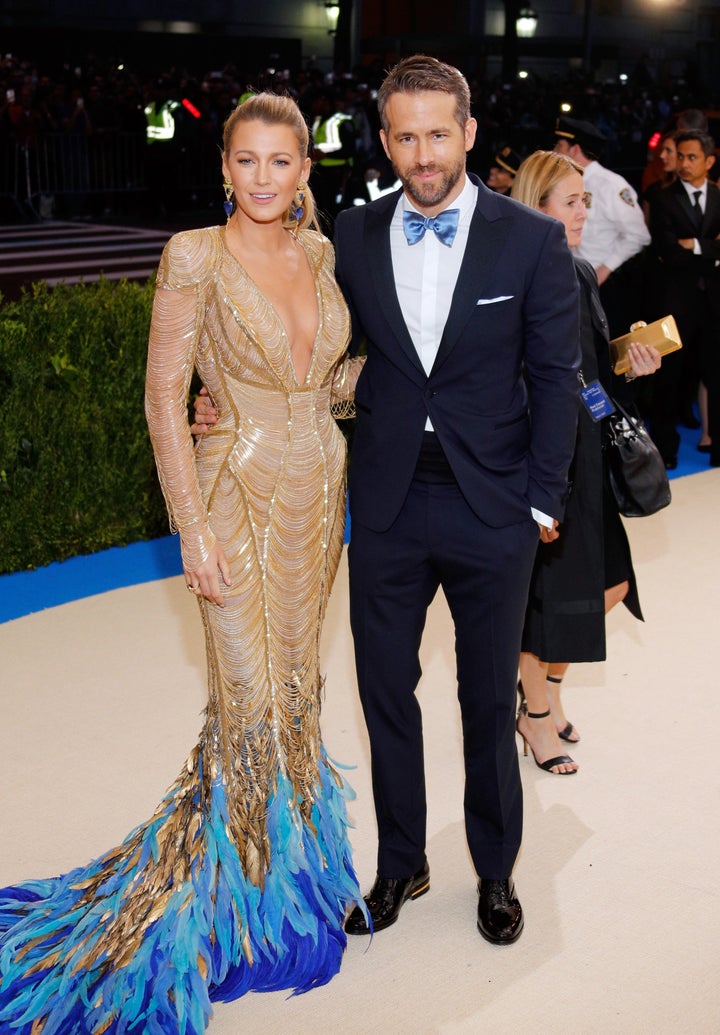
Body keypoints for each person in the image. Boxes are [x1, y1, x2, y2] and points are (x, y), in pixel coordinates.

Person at [0, 92, 365, 1032]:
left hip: (320, 486)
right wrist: (191, 529)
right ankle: (238, 903)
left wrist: (402, 372)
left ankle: (295, 883)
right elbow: (166, 400)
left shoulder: (320, 255)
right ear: (223, 166)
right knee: (244, 692)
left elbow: (326, 382)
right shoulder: (193, 254)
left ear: (303, 173)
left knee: (296, 687)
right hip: (233, 486)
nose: (261, 178)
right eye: (245, 160)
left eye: (280, 162)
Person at [335, 55, 581, 945]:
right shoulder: (352, 235)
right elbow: (317, 348)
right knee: (384, 692)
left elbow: (557, 379)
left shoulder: (529, 239)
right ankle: (402, 860)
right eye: (406, 135)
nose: (423, 152)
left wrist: (541, 500)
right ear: (387, 138)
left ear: (469, 133)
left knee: (485, 695)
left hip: (495, 505)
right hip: (390, 502)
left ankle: (496, 870)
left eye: (440, 133)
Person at [511, 151, 661, 775]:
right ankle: (536, 714)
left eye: (585, 201)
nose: (583, 213)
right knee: (550, 598)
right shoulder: (541, 271)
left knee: (607, 586)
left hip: (585, 451)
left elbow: (582, 375)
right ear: (537, 205)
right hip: (554, 461)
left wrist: (627, 363)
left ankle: (540, 693)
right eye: (570, 202)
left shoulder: (573, 268)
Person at [648, 130, 720, 468]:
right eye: (682, 157)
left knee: (714, 372)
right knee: (668, 376)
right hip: (675, 301)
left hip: (714, 301)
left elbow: (682, 252)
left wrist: (693, 244)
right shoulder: (663, 199)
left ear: (710, 161)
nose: (685, 164)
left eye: (693, 158)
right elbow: (668, 253)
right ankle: (665, 448)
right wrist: (711, 248)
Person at [553, 115, 651, 338]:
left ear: (575, 150)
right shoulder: (563, 183)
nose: (554, 150)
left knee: (606, 348)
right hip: (571, 279)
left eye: (559, 145)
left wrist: (605, 269)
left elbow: (639, 235)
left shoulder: (610, 185)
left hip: (603, 284)